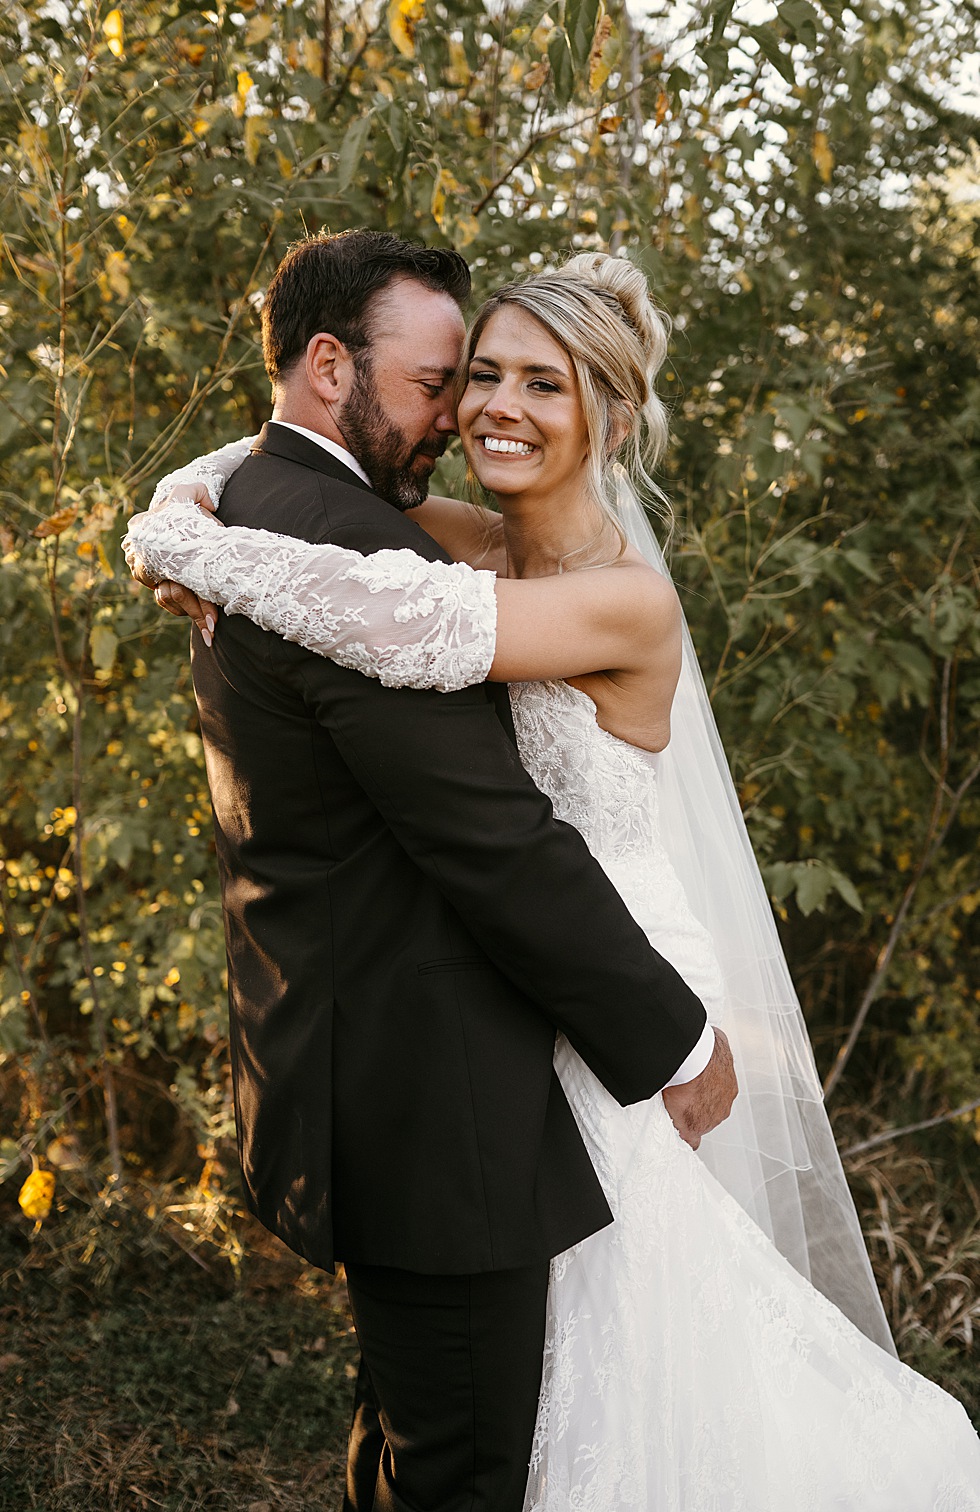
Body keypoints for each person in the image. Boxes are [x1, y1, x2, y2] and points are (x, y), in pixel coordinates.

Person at [127, 247, 980, 1508]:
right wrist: (184, 504)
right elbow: (289, 472)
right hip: (517, 990)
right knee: (489, 1382)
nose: (489, 408)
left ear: (609, 418)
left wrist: (185, 546)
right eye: (473, 376)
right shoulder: (452, 535)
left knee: (608, 1344)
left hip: (610, 971)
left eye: (542, 383)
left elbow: (393, 624)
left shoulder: (622, 602)